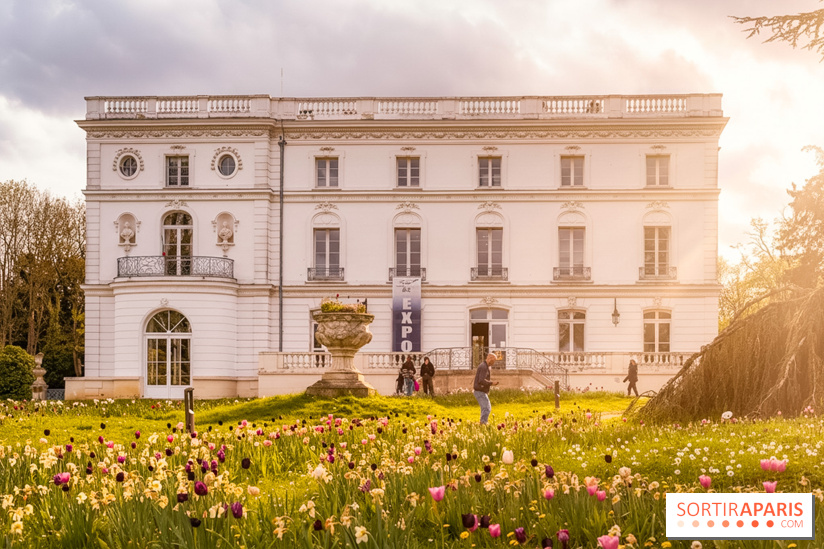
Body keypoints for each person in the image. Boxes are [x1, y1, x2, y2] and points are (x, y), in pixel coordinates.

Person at [473, 353, 499, 424]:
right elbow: (481, 380)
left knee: (485, 408)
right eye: (494, 361)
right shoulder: (483, 367)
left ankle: (482, 422)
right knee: (487, 408)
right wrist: (492, 383)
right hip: (479, 391)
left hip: (481, 391)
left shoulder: (487, 366)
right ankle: (483, 423)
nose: (494, 363)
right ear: (489, 358)